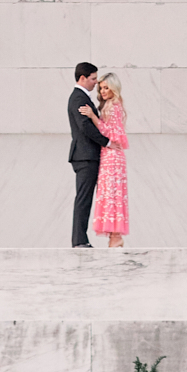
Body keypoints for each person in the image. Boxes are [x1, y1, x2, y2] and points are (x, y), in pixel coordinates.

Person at [67, 60, 105, 246]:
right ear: (82, 78)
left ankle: (80, 240)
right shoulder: (79, 98)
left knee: (85, 198)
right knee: (83, 199)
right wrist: (107, 142)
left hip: (86, 155)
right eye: (93, 79)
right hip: (85, 156)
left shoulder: (81, 98)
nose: (95, 82)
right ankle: (79, 241)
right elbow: (85, 127)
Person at [90, 75, 129, 247]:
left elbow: (109, 131)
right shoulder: (112, 105)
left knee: (112, 193)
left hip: (112, 156)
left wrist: (92, 116)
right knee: (110, 193)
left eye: (106, 88)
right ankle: (114, 236)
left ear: (113, 88)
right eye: (101, 88)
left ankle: (116, 236)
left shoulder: (113, 106)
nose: (103, 91)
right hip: (109, 155)